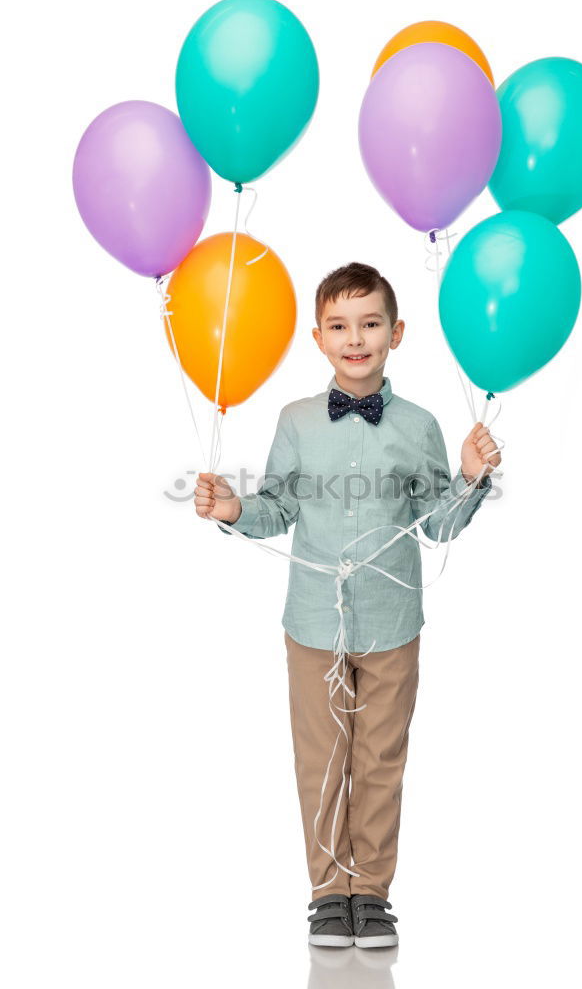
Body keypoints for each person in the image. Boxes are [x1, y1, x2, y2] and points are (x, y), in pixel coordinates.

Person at [194, 262, 501, 948]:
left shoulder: (419, 425)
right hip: (312, 627)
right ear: (317, 336)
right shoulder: (296, 421)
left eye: (369, 324)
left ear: (396, 333)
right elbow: (276, 507)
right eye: (339, 325)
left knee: (382, 759)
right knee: (323, 757)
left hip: (393, 627)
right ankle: (330, 893)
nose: (355, 338)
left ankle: (373, 893)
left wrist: (470, 482)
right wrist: (237, 508)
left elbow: (437, 526)